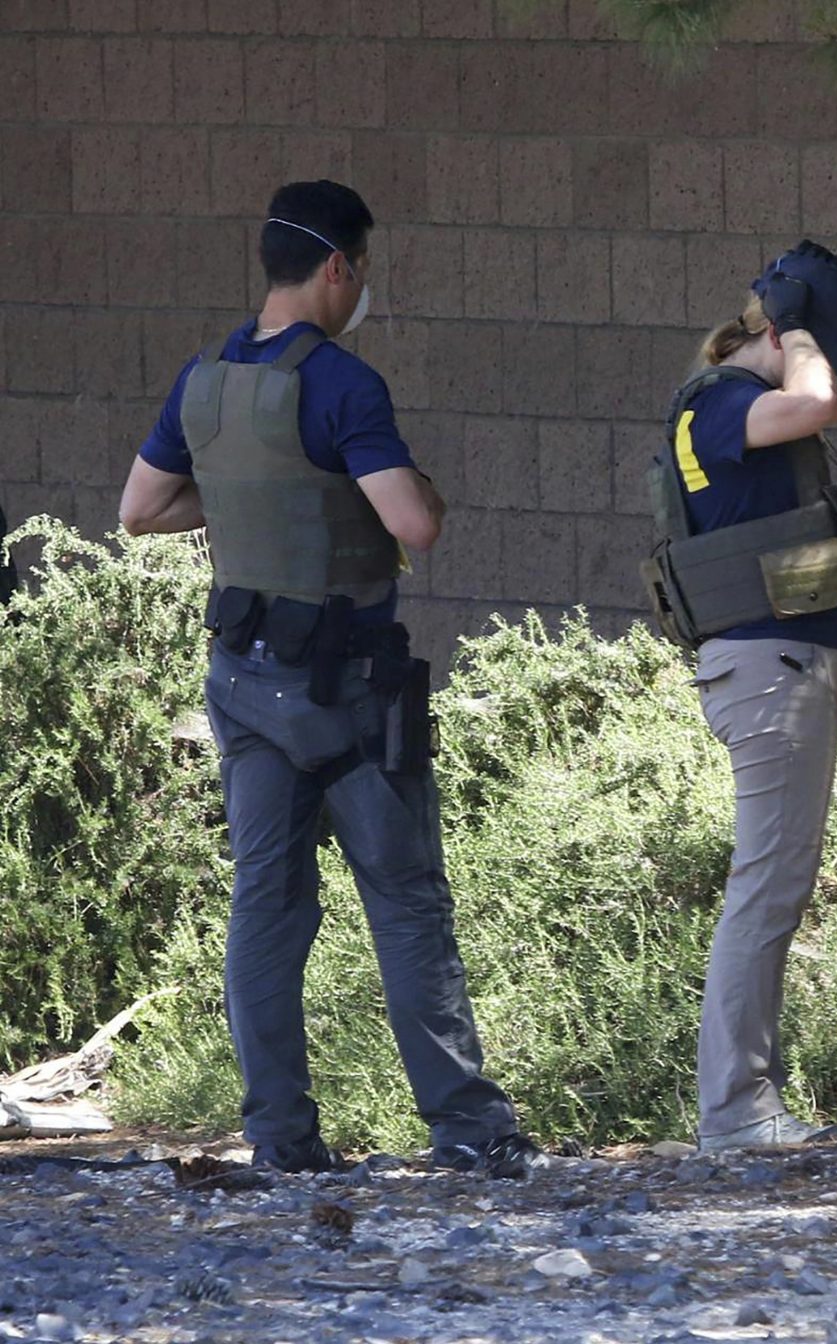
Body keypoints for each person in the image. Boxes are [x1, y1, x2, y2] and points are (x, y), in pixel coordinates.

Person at [117, 180, 534, 1177]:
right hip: (344, 691)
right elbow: (415, 525)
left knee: (267, 902)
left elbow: (139, 511)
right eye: (364, 272)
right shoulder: (343, 385)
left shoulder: (202, 377)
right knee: (404, 899)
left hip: (242, 680)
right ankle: (471, 1134)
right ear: (338, 267)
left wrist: (244, 513)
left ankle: (282, 1141)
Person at [646, 240, 837, 1151]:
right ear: (782, 337)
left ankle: (749, 1101)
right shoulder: (722, 405)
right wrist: (800, 329)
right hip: (768, 669)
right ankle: (738, 1110)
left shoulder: (765, 402)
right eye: (811, 345)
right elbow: (817, 397)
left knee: (776, 883)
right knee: (765, 888)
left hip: (790, 662)